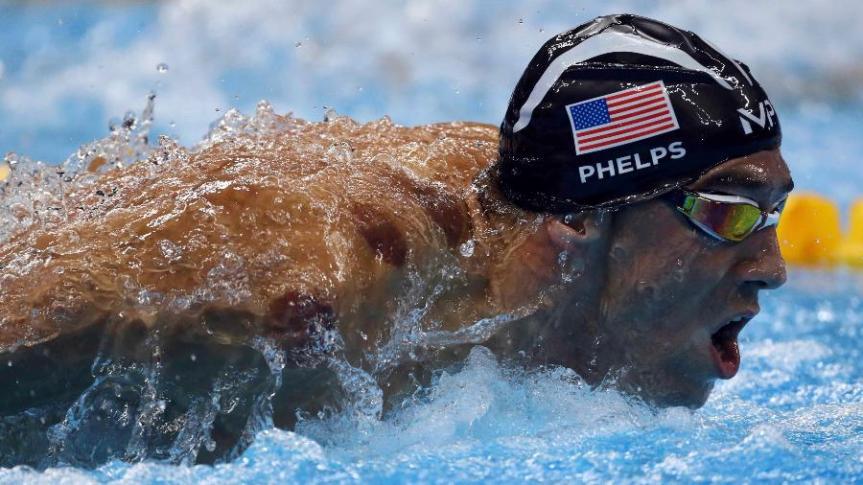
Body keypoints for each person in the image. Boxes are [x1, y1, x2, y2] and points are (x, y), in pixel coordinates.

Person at [0, 13, 792, 466]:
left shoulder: (525, 208)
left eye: (776, 213)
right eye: (729, 212)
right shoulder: (299, 297)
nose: (774, 269)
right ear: (579, 226)